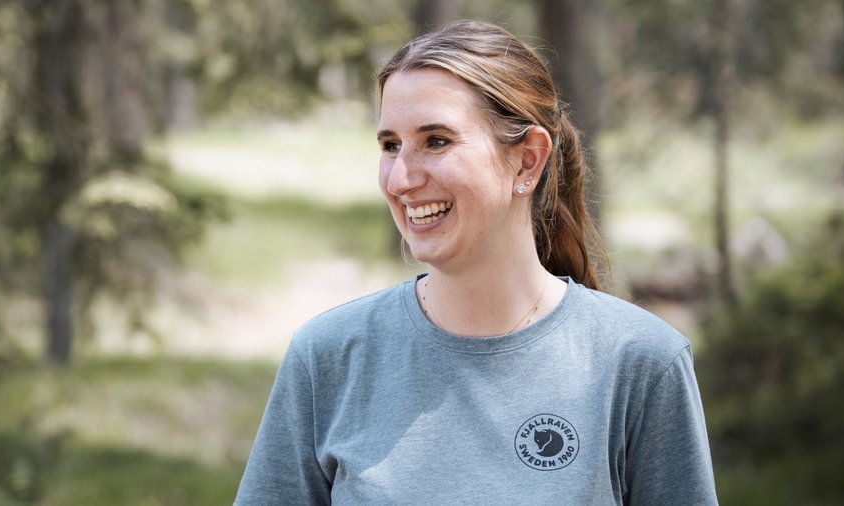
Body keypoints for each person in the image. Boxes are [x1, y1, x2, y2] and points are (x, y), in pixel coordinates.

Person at [235, 20, 718, 505]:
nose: (400, 178)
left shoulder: (640, 363)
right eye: (389, 145)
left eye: (436, 141)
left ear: (528, 160)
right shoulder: (327, 359)